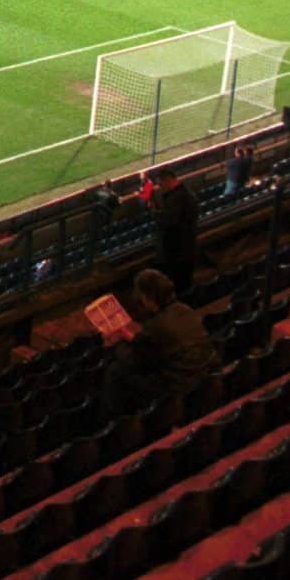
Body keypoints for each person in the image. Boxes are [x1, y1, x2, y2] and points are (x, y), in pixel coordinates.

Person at [105, 267, 219, 409]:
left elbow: (136, 362)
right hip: (206, 378)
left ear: (149, 299)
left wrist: (116, 343)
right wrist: (132, 338)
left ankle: (122, 422)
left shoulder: (156, 326)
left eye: (142, 299)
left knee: (116, 370)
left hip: (179, 390)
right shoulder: (184, 309)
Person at [149, 167, 199, 293]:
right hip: (187, 247)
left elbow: (171, 222)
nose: (160, 188)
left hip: (177, 251)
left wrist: (155, 213)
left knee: (179, 285)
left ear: (168, 181)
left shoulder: (176, 199)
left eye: (160, 184)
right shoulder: (187, 195)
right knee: (185, 283)